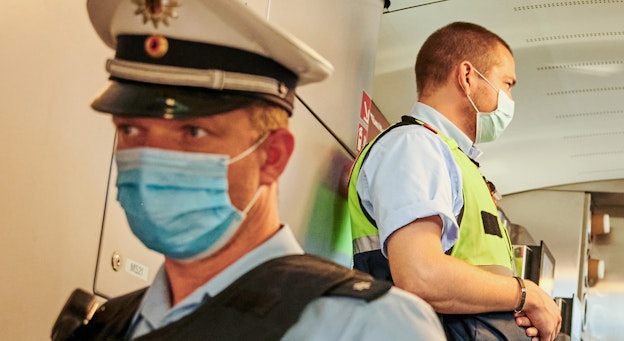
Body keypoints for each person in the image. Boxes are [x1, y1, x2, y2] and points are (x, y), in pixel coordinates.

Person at [62, 0, 446, 340]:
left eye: (193, 132)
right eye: (131, 129)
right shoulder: (107, 325)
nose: (149, 157)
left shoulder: (369, 326)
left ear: (272, 156)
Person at [346, 22, 562, 341]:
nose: (509, 99)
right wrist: (525, 294)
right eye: (507, 84)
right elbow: (421, 275)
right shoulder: (414, 146)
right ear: (467, 77)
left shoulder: (458, 162)